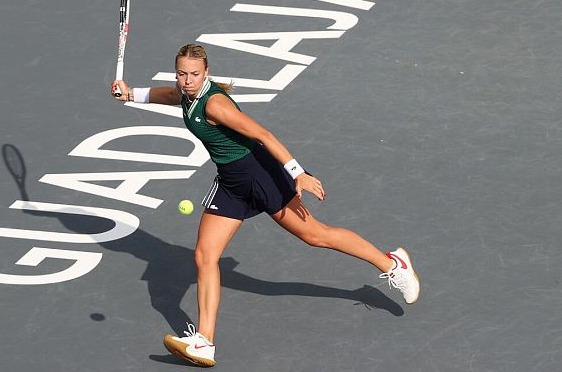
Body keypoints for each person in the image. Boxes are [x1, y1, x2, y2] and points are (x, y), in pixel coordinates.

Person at [111, 44, 419, 367]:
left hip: (261, 175)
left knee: (315, 235)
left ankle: (393, 264)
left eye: (194, 75)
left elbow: (263, 134)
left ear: (207, 73)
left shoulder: (215, 105)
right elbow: (173, 96)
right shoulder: (186, 92)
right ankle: (204, 341)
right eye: (182, 74)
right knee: (204, 255)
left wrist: (297, 173)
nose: (187, 80)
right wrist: (132, 94)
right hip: (231, 182)